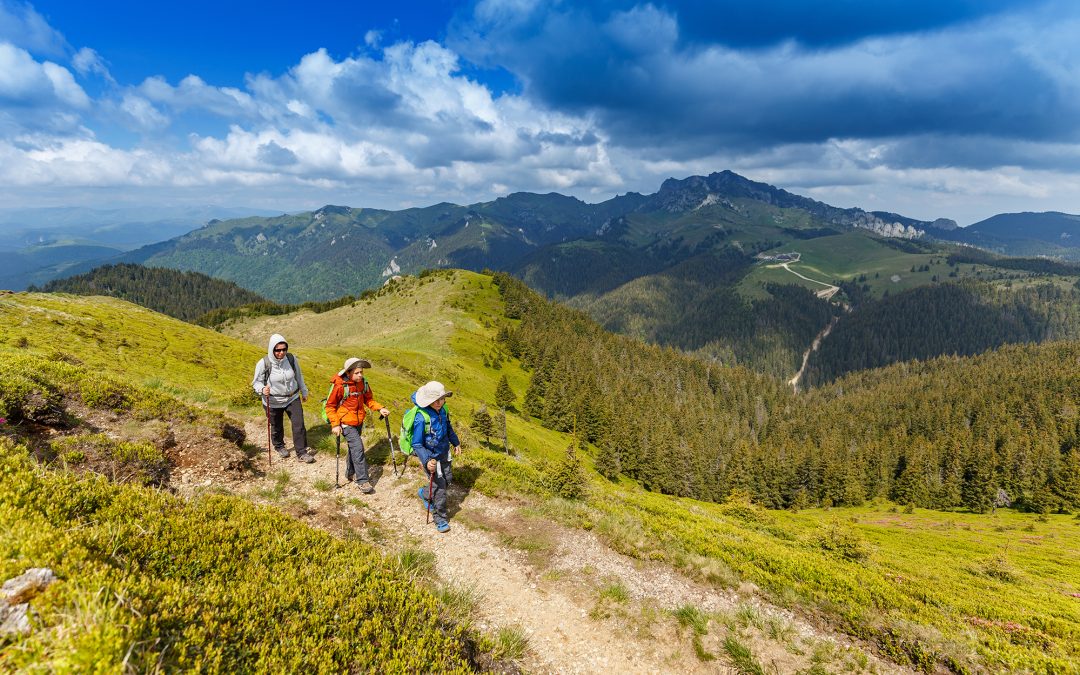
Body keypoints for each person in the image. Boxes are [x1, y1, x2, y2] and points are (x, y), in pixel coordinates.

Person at [325, 357, 389, 493]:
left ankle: (349, 473)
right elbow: (330, 406)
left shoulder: (363, 383)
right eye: (357, 373)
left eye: (361, 372)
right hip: (345, 423)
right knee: (358, 448)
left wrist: (379, 408)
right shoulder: (340, 386)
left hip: (358, 421)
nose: (360, 375)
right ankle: (363, 480)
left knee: (353, 448)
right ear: (348, 373)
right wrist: (335, 425)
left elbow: (368, 399)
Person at [252, 333, 314, 463]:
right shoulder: (264, 363)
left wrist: (304, 391)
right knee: (276, 425)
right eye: (278, 350)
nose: (281, 353)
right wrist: (262, 389)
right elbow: (256, 382)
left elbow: (299, 375)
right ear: (272, 349)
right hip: (273, 401)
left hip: (292, 397)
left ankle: (301, 452)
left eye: (284, 349)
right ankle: (279, 446)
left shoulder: (291, 359)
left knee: (299, 424)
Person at [411, 381, 460, 533]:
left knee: (447, 480)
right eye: (435, 400)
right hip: (431, 458)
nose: (439, 403)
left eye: (442, 399)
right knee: (439, 488)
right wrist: (426, 461)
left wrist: (456, 442)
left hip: (444, 453)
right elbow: (417, 444)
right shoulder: (421, 417)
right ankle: (440, 518)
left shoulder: (443, 410)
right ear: (428, 400)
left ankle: (425, 493)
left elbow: (448, 428)